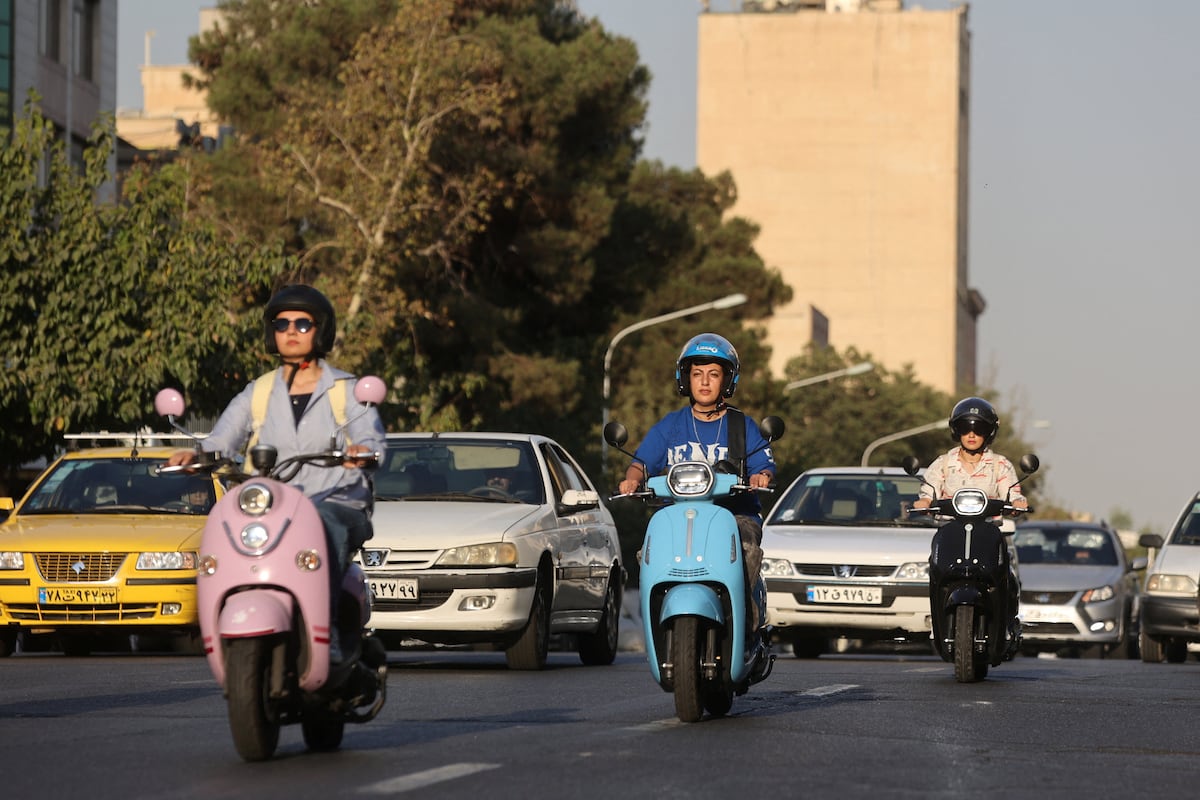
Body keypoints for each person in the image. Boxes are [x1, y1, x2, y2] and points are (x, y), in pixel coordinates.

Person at [168, 284, 386, 663]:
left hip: (334, 499)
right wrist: (199, 452)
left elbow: (370, 437)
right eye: (282, 323)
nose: (291, 330)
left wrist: (361, 452)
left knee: (324, 523)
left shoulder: (345, 390)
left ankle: (329, 633)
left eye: (303, 323)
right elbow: (224, 438)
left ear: (321, 331)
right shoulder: (259, 391)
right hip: (273, 504)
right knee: (225, 522)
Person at [617, 332, 776, 630]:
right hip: (678, 516)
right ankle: (658, 619)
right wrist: (632, 480)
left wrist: (761, 476)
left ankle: (743, 619)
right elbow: (640, 463)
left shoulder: (742, 426)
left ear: (728, 381)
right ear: (684, 379)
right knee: (649, 549)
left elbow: (763, 465)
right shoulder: (671, 425)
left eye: (713, 374)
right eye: (697, 374)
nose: (704, 382)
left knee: (746, 549)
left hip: (735, 516)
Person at [912, 396, 1025, 645]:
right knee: (935, 572)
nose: (971, 434)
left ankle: (1007, 624)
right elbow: (927, 492)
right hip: (950, 531)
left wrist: (1017, 503)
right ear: (956, 431)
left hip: (989, 532)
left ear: (989, 432)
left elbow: (1012, 493)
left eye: (979, 429)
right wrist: (923, 502)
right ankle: (937, 622)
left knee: (1008, 576)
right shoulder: (942, 465)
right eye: (966, 428)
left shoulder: (1000, 465)